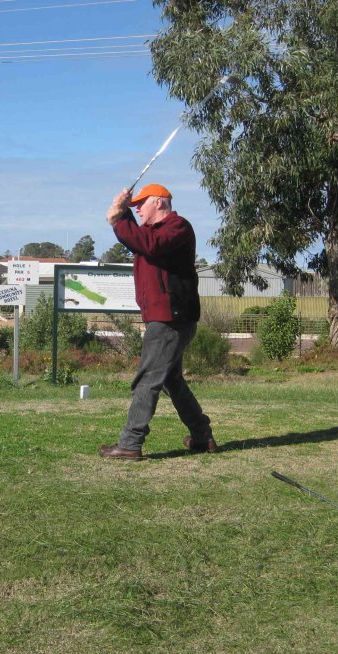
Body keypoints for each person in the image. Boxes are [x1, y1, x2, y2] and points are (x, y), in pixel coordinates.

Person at [99, 183, 216, 460]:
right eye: (134, 204)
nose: (137, 208)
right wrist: (122, 216)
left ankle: (130, 443)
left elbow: (149, 245)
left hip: (170, 318)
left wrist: (119, 217)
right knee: (171, 380)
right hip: (166, 317)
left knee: (148, 379)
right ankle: (202, 435)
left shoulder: (178, 227)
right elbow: (142, 240)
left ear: (160, 203)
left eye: (141, 203)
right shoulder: (152, 233)